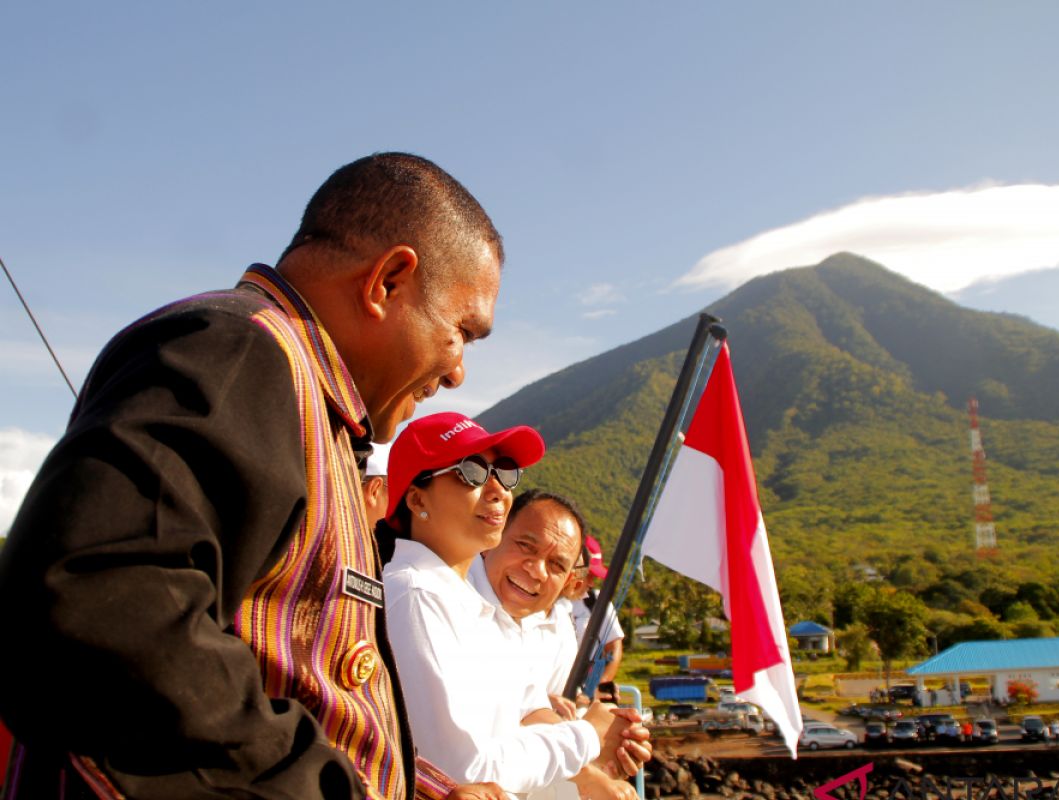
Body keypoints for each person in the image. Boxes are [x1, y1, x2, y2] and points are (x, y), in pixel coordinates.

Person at [0, 153, 504, 799]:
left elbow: (304, 679)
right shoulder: (240, 351)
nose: (458, 372)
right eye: (463, 331)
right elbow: (101, 605)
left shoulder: (320, 418)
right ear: (388, 281)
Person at [381, 414, 645, 800]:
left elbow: (526, 708)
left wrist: (605, 740)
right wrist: (587, 735)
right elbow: (460, 770)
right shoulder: (416, 595)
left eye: (504, 473)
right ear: (417, 498)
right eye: (471, 472)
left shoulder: (467, 604)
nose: (498, 491)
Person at [470, 490, 651, 800]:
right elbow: (477, 753)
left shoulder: (523, 615)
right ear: (493, 535)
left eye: (557, 564)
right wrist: (589, 759)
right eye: (525, 546)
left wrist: (605, 747)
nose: (537, 569)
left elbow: (529, 709)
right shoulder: (452, 600)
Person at [563, 537, 625, 703]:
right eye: (589, 575)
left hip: (586, 693)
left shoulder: (597, 602)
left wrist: (598, 687)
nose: (592, 582)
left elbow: (614, 648)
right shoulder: (541, 603)